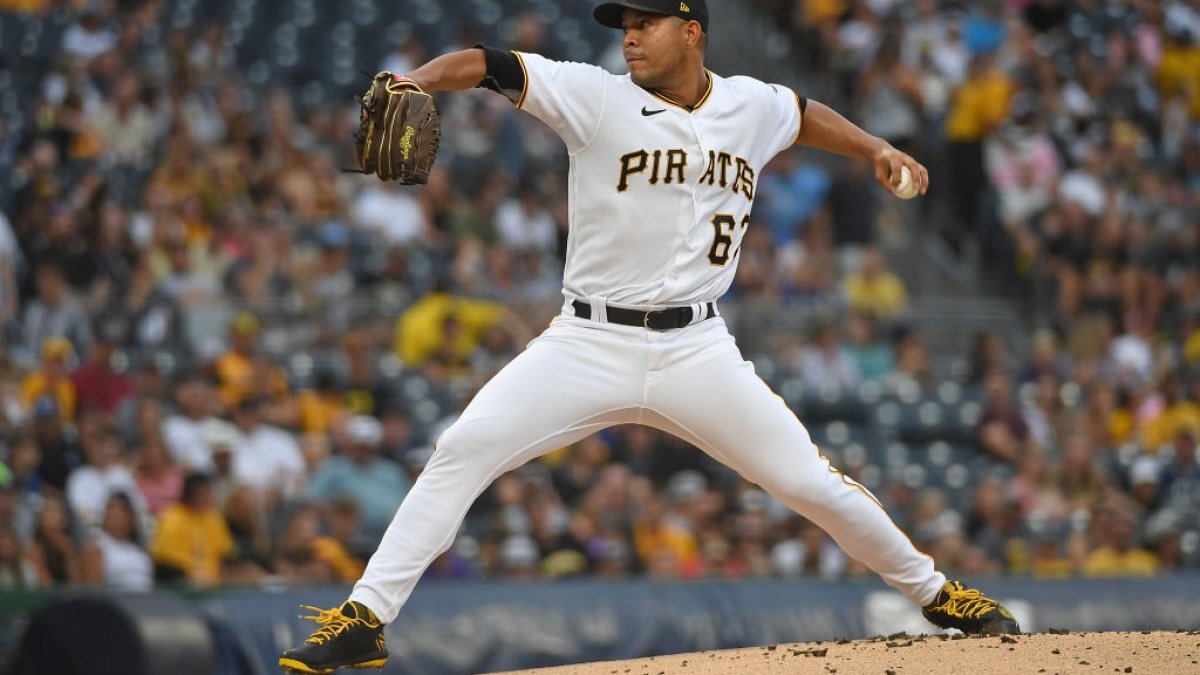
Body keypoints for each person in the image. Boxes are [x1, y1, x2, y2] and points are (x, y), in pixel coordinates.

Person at [280, 1, 1018, 671]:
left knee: (807, 482)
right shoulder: (597, 96)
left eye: (646, 21)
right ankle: (366, 616)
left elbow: (800, 111)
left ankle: (937, 592)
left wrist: (875, 149)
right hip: (586, 342)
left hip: (697, 349)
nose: (629, 34)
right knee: (462, 448)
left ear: (691, 31)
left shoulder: (748, 105)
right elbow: (490, 64)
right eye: (624, 23)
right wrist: (419, 79)